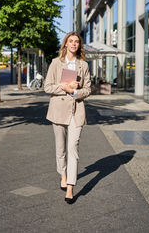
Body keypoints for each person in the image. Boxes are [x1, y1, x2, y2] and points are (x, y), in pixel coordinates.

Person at [44, 32, 91, 204]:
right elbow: (47, 87)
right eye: (70, 41)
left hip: (76, 111)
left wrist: (75, 92)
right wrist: (64, 87)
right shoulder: (56, 63)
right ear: (65, 44)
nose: (74, 44)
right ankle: (63, 174)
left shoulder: (83, 65)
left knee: (73, 148)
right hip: (58, 110)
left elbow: (88, 90)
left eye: (76, 42)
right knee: (60, 148)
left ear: (79, 45)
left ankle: (70, 187)